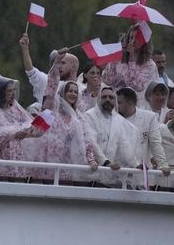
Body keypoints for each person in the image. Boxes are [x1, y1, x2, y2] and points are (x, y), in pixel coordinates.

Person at [25, 50, 96, 180]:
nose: (73, 94)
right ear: (62, 92)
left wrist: (91, 160)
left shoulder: (79, 117)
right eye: (69, 91)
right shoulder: (52, 109)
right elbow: (51, 85)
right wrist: (57, 61)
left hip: (66, 166)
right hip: (45, 164)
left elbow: (87, 139)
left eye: (76, 91)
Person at [116, 87, 170, 180]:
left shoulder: (149, 117)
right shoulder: (113, 118)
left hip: (141, 174)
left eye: (119, 102)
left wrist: (163, 164)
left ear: (130, 102)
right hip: (118, 172)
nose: (116, 105)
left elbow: (156, 143)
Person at [83, 87, 139, 172]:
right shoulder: (89, 116)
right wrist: (105, 162)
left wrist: (136, 164)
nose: (107, 100)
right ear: (99, 99)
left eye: (111, 97)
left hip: (109, 172)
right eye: (104, 97)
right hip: (92, 169)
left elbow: (124, 145)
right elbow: (91, 143)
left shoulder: (117, 119)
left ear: (115, 100)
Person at [101, 24, 159, 103]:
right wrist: (115, 58)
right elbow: (107, 80)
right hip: (117, 105)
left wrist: (132, 59)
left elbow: (137, 86)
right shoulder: (120, 60)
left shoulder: (149, 65)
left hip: (138, 106)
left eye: (137, 38)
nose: (133, 41)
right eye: (131, 37)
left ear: (145, 41)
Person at [19, 32, 80, 104]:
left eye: (63, 63)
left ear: (73, 67)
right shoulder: (46, 81)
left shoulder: (82, 88)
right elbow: (30, 70)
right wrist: (25, 48)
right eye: (57, 62)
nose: (58, 65)